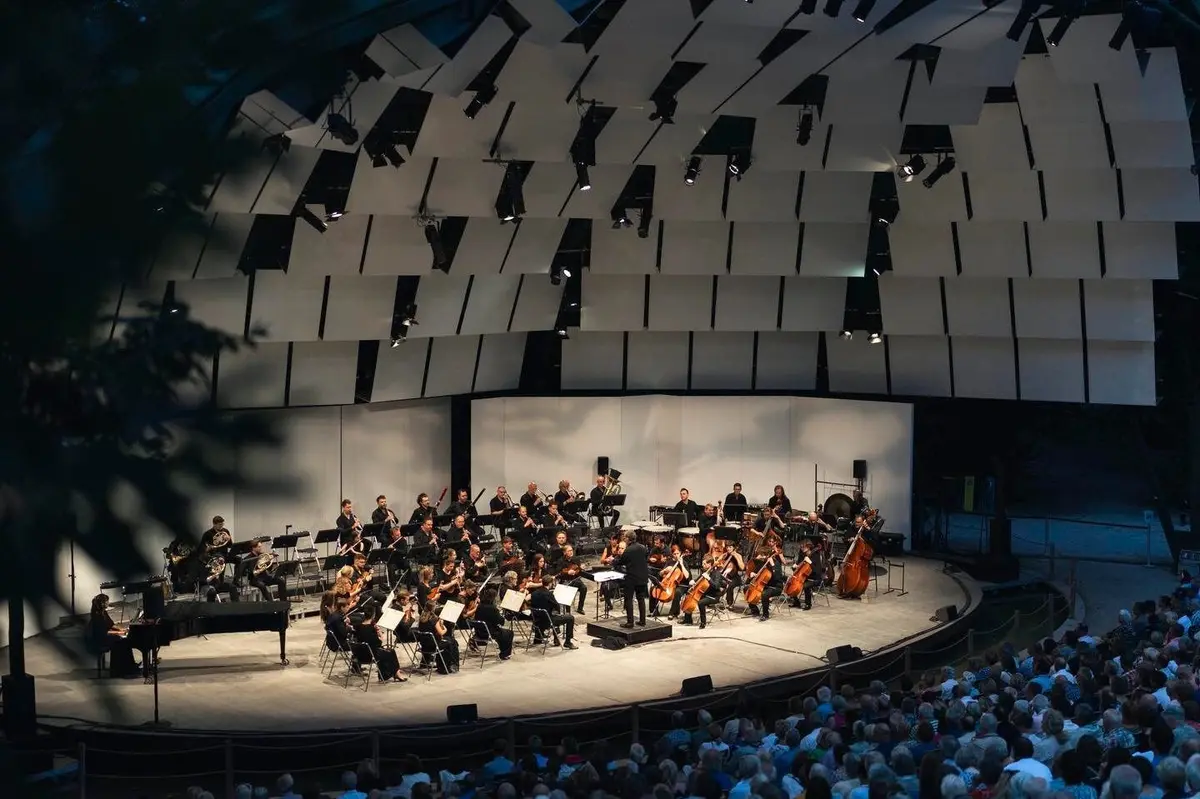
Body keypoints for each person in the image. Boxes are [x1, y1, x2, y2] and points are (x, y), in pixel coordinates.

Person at [86, 594, 139, 678]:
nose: (108, 603)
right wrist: (118, 634)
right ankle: (121, 670)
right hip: (100, 640)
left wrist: (122, 630)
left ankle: (129, 667)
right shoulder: (97, 616)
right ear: (102, 603)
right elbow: (103, 633)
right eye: (107, 601)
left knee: (124, 641)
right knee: (120, 641)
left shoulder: (104, 613)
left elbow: (111, 625)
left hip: (105, 637)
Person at [353, 605, 407, 682]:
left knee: (387, 651)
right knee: (391, 651)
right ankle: (395, 674)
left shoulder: (358, 626)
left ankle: (388, 675)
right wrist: (379, 633)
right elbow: (379, 643)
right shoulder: (371, 629)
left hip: (359, 655)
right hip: (369, 656)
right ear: (373, 615)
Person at [530, 577, 578, 649]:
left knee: (549, 614)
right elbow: (557, 606)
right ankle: (568, 642)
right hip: (547, 621)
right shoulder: (548, 594)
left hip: (536, 621)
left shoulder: (534, 593)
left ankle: (537, 639)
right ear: (550, 584)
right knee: (570, 618)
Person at [615, 531, 649, 628]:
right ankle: (642, 621)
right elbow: (645, 557)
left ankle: (630, 622)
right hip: (642, 577)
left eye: (625, 537)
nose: (624, 539)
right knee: (641, 598)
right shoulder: (643, 547)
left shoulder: (628, 550)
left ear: (628, 539)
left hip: (632, 578)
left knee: (628, 599)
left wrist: (613, 561)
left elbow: (621, 562)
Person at [747, 541, 786, 621]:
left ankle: (765, 614)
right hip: (765, 585)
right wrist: (752, 573)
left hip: (776, 587)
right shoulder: (763, 562)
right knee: (747, 589)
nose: (760, 556)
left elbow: (778, 577)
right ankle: (755, 610)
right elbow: (756, 572)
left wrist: (772, 565)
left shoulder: (776, 563)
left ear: (767, 555)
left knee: (765, 594)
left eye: (762, 554)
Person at [679, 557, 723, 630]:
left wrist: (709, 579)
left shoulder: (717, 573)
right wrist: (693, 582)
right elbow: (697, 581)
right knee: (689, 595)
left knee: (701, 603)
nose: (702, 565)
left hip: (713, 596)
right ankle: (688, 620)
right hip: (705, 593)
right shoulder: (705, 572)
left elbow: (717, 586)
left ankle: (703, 622)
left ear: (709, 564)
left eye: (704, 564)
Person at [472, 586, 515, 660]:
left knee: (503, 633)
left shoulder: (480, 606)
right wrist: (500, 615)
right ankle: (504, 654)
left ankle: (503, 651)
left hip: (478, 632)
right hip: (488, 633)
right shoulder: (492, 608)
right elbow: (501, 622)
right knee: (509, 633)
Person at [417, 601, 460, 673]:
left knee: (449, 640)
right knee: (452, 642)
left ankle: (446, 665)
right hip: (433, 645)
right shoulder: (434, 619)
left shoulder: (421, 618)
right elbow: (442, 632)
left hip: (424, 645)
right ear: (433, 609)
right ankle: (448, 666)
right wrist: (444, 626)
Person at [556, 544, 587, 614]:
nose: (571, 552)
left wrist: (580, 569)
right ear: (564, 552)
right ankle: (567, 612)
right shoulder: (560, 561)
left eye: (571, 550)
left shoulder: (576, 559)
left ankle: (580, 608)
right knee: (568, 592)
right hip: (565, 581)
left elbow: (578, 571)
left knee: (584, 588)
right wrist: (567, 572)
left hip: (575, 579)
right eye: (569, 551)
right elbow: (559, 573)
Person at [796, 538, 826, 611]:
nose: (802, 548)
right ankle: (796, 602)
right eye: (801, 547)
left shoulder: (815, 555)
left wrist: (810, 562)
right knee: (793, 583)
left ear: (808, 546)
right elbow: (799, 567)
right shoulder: (803, 555)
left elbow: (817, 571)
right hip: (806, 577)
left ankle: (808, 604)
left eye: (803, 547)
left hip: (816, 578)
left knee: (805, 586)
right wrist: (795, 567)